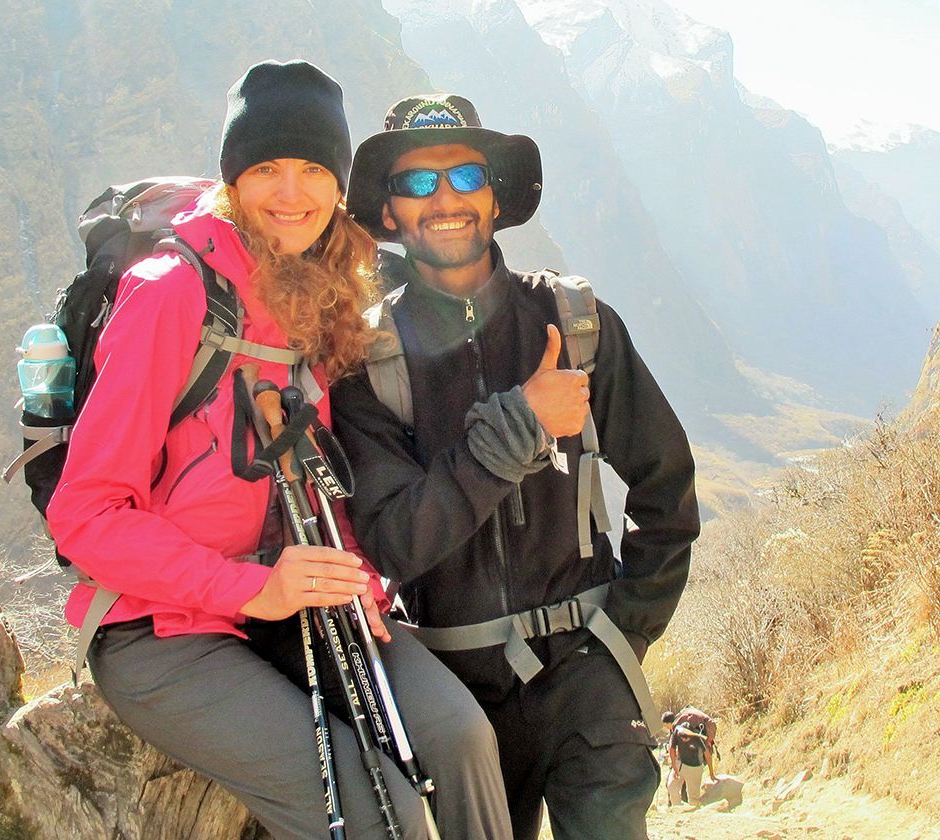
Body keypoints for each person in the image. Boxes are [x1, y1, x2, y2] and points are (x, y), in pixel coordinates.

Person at [46, 63, 511, 839]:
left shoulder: (315, 293)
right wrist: (246, 588)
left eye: (312, 170)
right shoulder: (171, 293)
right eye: (265, 168)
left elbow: (314, 474)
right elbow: (85, 514)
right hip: (160, 630)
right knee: (379, 817)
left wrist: (353, 572)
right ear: (233, 179)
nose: (290, 193)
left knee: (460, 739)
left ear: (339, 186)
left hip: (288, 601)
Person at [331, 93, 701, 840]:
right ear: (392, 213)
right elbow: (393, 540)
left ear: (496, 198)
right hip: (458, 698)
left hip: (589, 679)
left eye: (466, 176)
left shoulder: (574, 321)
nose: (445, 200)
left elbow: (666, 485)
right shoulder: (366, 364)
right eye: (416, 183)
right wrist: (519, 427)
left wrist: (624, 634)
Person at [663, 708, 718, 806]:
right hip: (683, 763)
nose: (684, 739)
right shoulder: (677, 731)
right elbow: (672, 750)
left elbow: (707, 755)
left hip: (695, 765)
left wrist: (712, 773)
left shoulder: (697, 738)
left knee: (693, 796)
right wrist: (675, 767)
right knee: (672, 786)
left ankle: (691, 805)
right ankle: (678, 807)